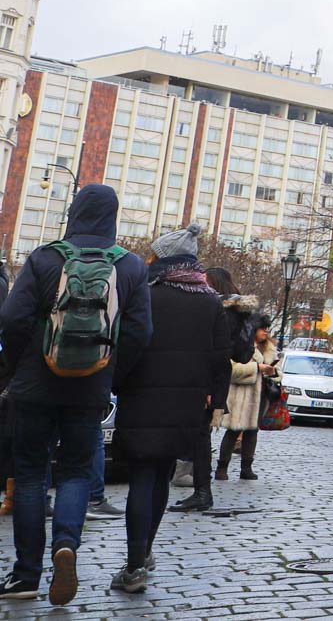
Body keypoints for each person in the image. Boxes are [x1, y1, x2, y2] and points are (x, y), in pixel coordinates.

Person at [0, 183, 151, 605]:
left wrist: (21, 364)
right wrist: (111, 375)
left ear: (74, 212)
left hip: (34, 385)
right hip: (90, 387)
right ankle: (66, 545)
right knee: (77, 472)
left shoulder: (45, 257)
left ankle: (26, 575)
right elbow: (141, 333)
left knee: (30, 476)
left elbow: (11, 318)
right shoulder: (131, 267)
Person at [110, 225, 224, 594]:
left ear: (164, 258)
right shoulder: (209, 300)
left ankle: (134, 564)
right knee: (160, 476)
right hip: (185, 407)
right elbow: (220, 359)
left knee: (143, 478)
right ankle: (144, 553)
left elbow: (126, 343)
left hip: (143, 400)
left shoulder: (147, 294)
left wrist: (116, 383)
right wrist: (213, 401)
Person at [172, 266, 252, 513]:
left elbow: (214, 350)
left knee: (199, 436)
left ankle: (202, 491)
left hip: (207, 378)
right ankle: (200, 490)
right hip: (214, 378)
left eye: (205, 280)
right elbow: (243, 353)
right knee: (200, 434)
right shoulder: (237, 312)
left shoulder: (219, 310)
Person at [217, 316, 278, 482]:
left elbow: (278, 370)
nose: (266, 332)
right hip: (242, 396)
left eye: (267, 329)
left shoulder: (270, 348)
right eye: (262, 328)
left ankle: (247, 467)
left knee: (252, 431)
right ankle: (222, 467)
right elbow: (232, 370)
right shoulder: (242, 346)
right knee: (233, 430)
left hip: (260, 396)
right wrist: (256, 368)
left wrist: (274, 372)